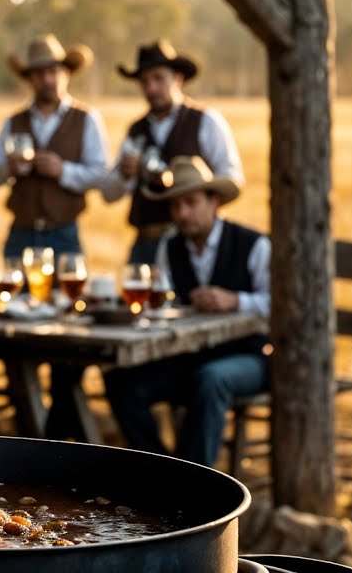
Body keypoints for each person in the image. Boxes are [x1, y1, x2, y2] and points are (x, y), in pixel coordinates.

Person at [104, 156, 270, 467]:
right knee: (121, 381)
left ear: (214, 201)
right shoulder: (170, 247)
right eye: (175, 206)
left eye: (191, 203)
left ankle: (197, 485)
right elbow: (167, 303)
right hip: (191, 353)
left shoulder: (254, 245)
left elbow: (280, 306)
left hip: (253, 355)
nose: (182, 214)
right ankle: (162, 472)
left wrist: (236, 301)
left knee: (211, 380)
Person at [101, 40, 244, 264]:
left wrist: (191, 196)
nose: (151, 89)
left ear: (177, 78)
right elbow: (109, 194)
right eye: (144, 81)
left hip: (193, 243)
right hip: (146, 244)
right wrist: (124, 174)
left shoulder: (205, 121)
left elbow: (232, 179)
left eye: (158, 78)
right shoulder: (135, 130)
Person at [0, 34, 109, 257]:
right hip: (21, 234)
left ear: (67, 74)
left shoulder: (87, 119)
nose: (48, 79)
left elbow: (101, 175)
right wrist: (8, 169)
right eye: (40, 73)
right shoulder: (13, 122)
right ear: (30, 79)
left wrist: (63, 171)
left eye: (54, 71)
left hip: (64, 234)